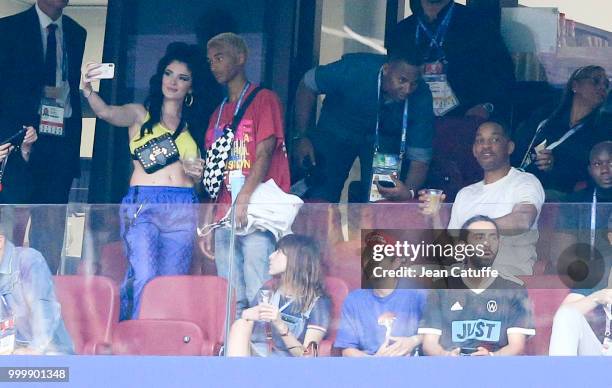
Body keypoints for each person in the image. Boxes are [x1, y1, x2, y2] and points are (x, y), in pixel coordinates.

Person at [82, 43, 206, 320]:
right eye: (168, 73)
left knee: (171, 281)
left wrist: (197, 173)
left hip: (183, 205)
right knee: (145, 274)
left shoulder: (193, 125)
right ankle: (138, 337)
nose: (173, 82)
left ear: (191, 87)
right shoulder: (140, 114)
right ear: (160, 77)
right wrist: (88, 90)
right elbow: (105, 113)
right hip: (145, 203)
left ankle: (163, 338)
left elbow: (198, 178)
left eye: (182, 78)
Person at [199, 33, 290, 317]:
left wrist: (245, 198)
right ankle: (235, 355)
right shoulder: (218, 112)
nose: (214, 65)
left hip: (255, 211)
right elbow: (214, 173)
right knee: (232, 295)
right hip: (225, 215)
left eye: (220, 57)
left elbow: (264, 153)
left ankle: (261, 353)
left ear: (241, 58)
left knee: (257, 290)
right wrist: (208, 222)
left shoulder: (264, 99)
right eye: (210, 60)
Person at [0, 0, 87, 272]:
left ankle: (45, 287)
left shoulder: (76, 32)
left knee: (51, 222)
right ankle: (7, 287)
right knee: (14, 216)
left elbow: (67, 84)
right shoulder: (9, 29)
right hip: (19, 138)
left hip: (60, 137)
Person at [292, 47, 434, 203]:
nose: (407, 89)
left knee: (383, 199)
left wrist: (409, 193)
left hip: (384, 142)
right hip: (336, 130)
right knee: (322, 193)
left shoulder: (422, 96)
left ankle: (372, 225)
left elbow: (420, 158)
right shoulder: (355, 69)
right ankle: (320, 226)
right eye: (402, 80)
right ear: (386, 69)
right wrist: (301, 136)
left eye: (413, 84)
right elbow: (308, 84)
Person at [420, 120, 545, 276]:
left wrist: (474, 232)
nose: (486, 146)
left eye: (494, 139)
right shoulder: (465, 194)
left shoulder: (525, 182)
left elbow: (523, 220)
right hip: (468, 279)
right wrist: (435, 216)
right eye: (480, 140)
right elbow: (449, 254)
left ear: (510, 147)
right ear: (474, 150)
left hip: (507, 278)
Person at [419, 216, 535, 356]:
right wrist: (446, 357)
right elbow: (429, 344)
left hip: (495, 371)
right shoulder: (442, 288)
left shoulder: (514, 289)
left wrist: (491, 358)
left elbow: (517, 346)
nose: (487, 243)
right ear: (463, 246)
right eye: (479, 237)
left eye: (493, 237)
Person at [389, 0, 515, 119]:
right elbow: (389, 79)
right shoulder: (402, 31)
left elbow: (503, 77)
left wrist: (487, 107)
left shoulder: (479, 25)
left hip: (464, 122)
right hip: (410, 121)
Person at [226, 234, 330, 357]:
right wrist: (246, 315)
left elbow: (308, 356)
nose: (271, 256)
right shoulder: (269, 289)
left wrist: (280, 325)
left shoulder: (317, 302)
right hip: (256, 355)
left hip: (285, 364)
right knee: (241, 325)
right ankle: (236, 374)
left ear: (296, 259)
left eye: (279, 252)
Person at [516, 66, 610, 200]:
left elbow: (592, 172)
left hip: (559, 193)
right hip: (521, 182)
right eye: (596, 81)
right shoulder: (546, 115)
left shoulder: (602, 129)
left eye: (606, 85)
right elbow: (520, 143)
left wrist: (554, 167)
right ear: (575, 85)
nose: (602, 87)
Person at [334, 232, 426, 357]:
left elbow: (436, 334)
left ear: (396, 263)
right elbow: (347, 350)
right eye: (367, 256)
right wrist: (375, 361)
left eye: (378, 256)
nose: (371, 262)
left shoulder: (417, 294)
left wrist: (412, 341)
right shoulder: (353, 300)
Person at [0, 225, 74, 355]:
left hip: (50, 353)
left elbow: (43, 309)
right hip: (11, 354)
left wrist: (34, 349)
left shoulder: (28, 260)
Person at [549, 214, 612, 356]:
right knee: (566, 314)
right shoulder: (601, 268)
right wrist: (597, 296)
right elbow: (564, 313)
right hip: (603, 353)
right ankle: (559, 375)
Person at [551, 142, 612, 270]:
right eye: (597, 164)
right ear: (589, 170)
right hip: (590, 279)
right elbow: (562, 256)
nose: (605, 170)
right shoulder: (575, 202)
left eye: (611, 163)